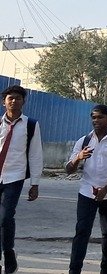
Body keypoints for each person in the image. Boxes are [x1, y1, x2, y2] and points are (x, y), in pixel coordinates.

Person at [65, 104, 107, 274]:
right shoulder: (84, 141)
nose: (96, 120)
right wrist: (78, 158)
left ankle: (105, 268)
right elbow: (68, 169)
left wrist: (106, 188)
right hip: (87, 191)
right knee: (82, 231)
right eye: (93, 117)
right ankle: (74, 270)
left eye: (100, 117)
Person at [0, 85, 42, 274]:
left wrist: (35, 183)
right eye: (10, 98)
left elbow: (35, 154)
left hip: (14, 177)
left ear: (23, 101)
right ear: (4, 102)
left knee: (6, 217)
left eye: (18, 98)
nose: (14, 101)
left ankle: (8, 252)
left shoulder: (31, 124)